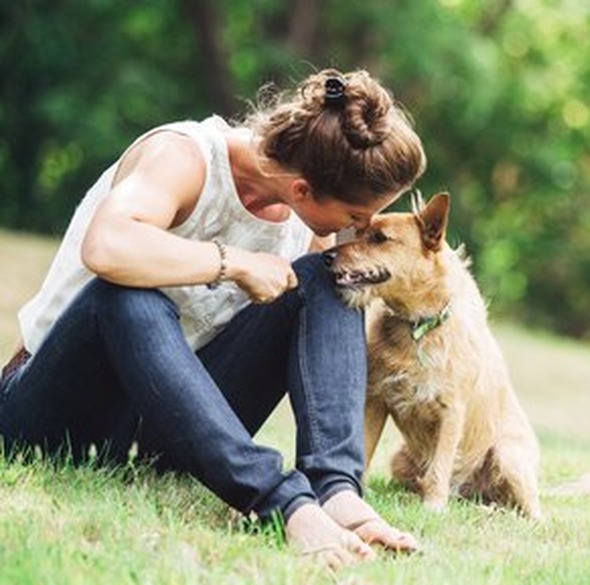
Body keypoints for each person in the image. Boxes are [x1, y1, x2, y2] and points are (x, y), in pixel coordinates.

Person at [0, 68, 426, 569]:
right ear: (305, 191)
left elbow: (316, 323)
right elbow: (107, 245)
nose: (355, 233)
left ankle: (335, 490)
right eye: (355, 218)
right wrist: (235, 262)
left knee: (328, 279)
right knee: (127, 294)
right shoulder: (184, 156)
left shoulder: (306, 225)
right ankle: (282, 503)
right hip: (58, 412)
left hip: (169, 429)